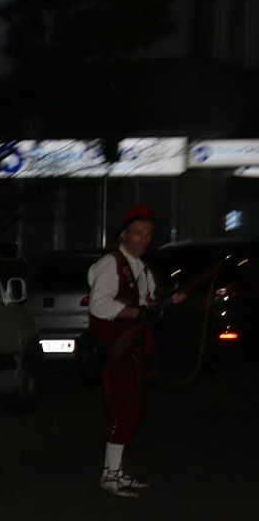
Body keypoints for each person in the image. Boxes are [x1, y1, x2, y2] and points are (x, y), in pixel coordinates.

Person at [86, 204, 183, 497]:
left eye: (148, 234)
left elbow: (148, 307)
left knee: (130, 407)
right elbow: (99, 304)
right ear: (125, 235)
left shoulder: (143, 269)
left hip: (132, 349)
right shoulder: (111, 264)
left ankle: (115, 472)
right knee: (124, 407)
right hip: (115, 348)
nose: (144, 239)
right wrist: (136, 313)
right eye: (138, 233)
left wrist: (166, 304)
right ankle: (111, 474)